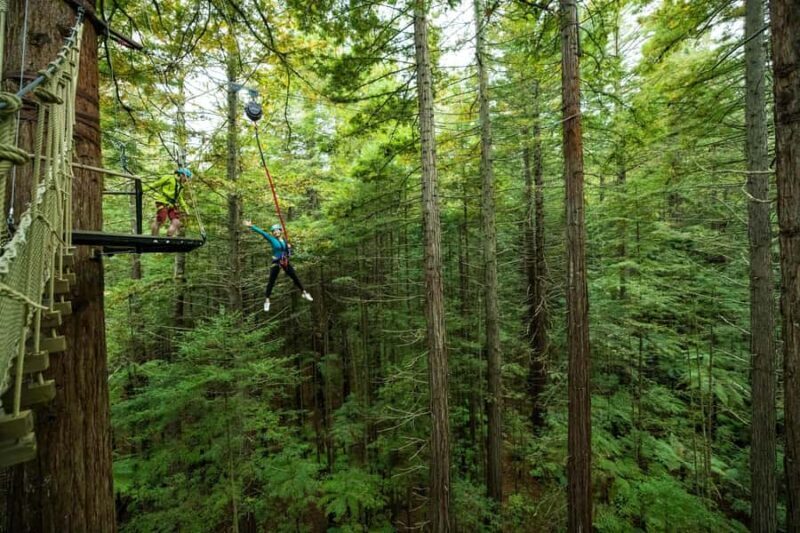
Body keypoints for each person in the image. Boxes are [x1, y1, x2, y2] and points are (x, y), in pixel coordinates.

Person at [244, 220, 313, 311]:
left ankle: (304, 292)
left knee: (295, 277)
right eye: (274, 231)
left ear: (280, 231)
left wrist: (289, 248)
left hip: (285, 261)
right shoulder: (272, 239)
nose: (276, 232)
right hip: (276, 262)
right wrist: (251, 226)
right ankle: (267, 300)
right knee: (271, 281)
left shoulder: (285, 241)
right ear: (272, 233)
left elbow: (289, 253)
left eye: (277, 230)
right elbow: (262, 233)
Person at [150, 168, 192, 237]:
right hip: (163, 202)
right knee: (160, 220)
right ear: (181, 175)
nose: (186, 180)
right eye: (186, 177)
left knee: (176, 222)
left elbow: (180, 198)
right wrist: (142, 189)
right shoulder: (169, 178)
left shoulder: (180, 186)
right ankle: (154, 237)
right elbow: (156, 184)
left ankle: (169, 237)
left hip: (172, 204)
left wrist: (186, 209)